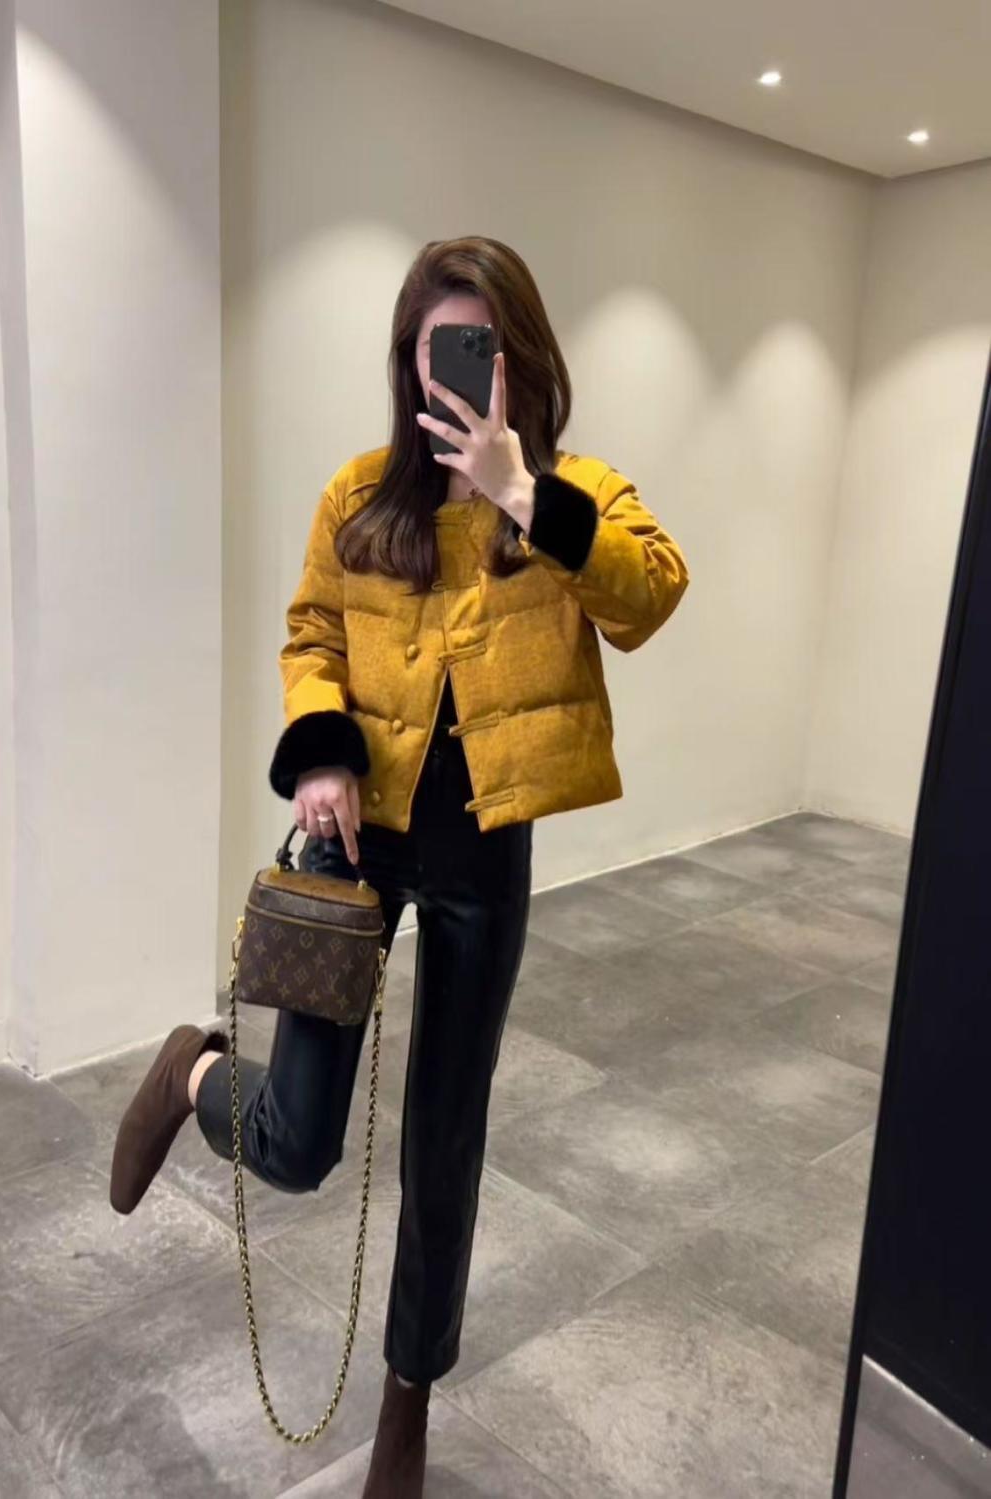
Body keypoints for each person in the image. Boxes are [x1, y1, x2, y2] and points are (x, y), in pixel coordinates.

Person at [108, 235, 690, 1497]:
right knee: (298, 1140)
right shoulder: (360, 497)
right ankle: (189, 1069)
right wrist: (318, 750)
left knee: (443, 1138)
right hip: (355, 836)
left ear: (520, 361)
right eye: (437, 351)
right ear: (407, 363)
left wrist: (522, 492)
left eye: (479, 349)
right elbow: (311, 634)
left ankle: (407, 1401)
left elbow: (648, 597)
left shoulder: (573, 492)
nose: (457, 374)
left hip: (485, 841)